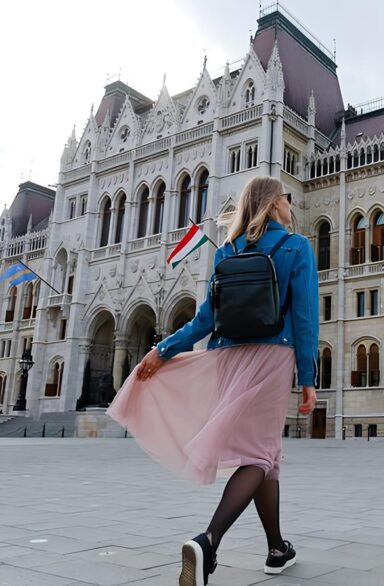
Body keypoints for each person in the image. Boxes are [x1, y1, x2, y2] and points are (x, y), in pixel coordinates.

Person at [107, 176, 319, 586]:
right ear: (275, 204)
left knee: (265, 458)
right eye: (287, 199)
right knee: (258, 456)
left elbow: (206, 318)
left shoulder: (228, 249)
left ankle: (277, 549)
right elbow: (305, 318)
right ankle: (208, 542)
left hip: (225, 357)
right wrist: (307, 376)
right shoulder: (296, 247)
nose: (291, 205)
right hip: (273, 355)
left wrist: (163, 349)